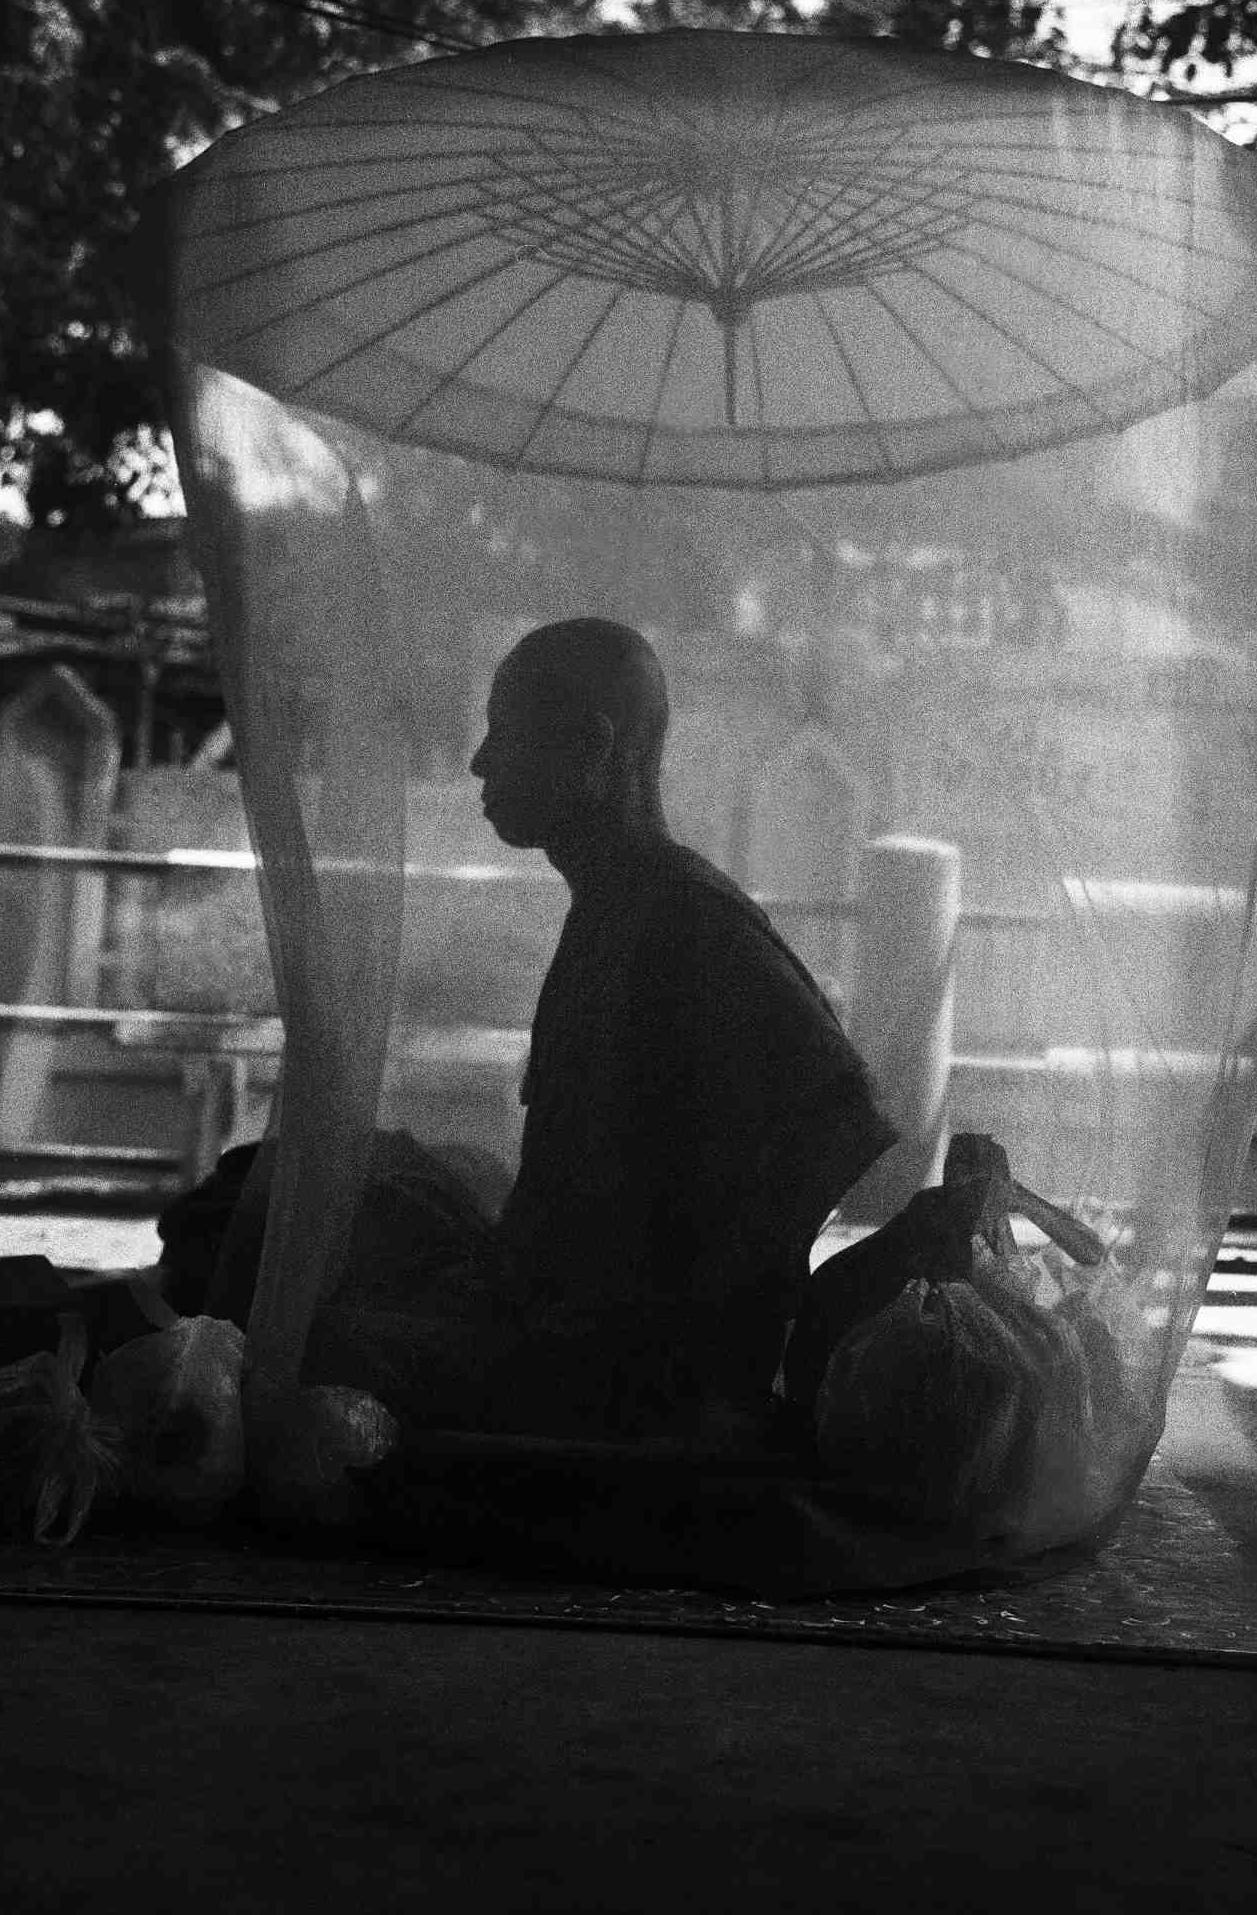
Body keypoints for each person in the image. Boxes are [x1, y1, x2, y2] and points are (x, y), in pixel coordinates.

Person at [286, 617, 897, 1441]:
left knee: (319, 1345)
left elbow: (840, 1119)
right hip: (548, 1321)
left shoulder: (689, 916)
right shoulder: (609, 908)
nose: (479, 762)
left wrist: (699, 1322)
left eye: (506, 733)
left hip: (621, 1375)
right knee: (327, 1215)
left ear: (589, 748)